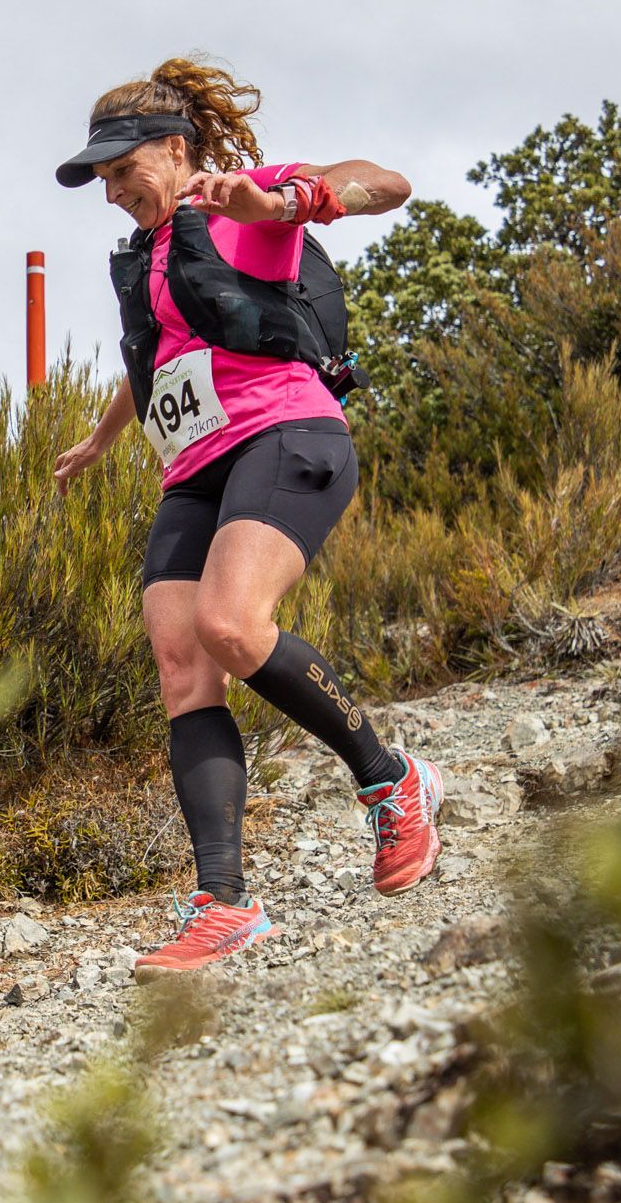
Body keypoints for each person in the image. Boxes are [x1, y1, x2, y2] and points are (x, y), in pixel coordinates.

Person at [52, 54, 442, 976]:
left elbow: (383, 182)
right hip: (192, 466)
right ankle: (223, 904)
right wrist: (103, 437)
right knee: (182, 661)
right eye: (100, 179)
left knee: (231, 625)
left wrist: (289, 203)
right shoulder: (149, 252)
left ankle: (392, 782)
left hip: (287, 434)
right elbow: (163, 350)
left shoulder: (245, 197)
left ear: (175, 148)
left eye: (121, 170)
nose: (111, 193)